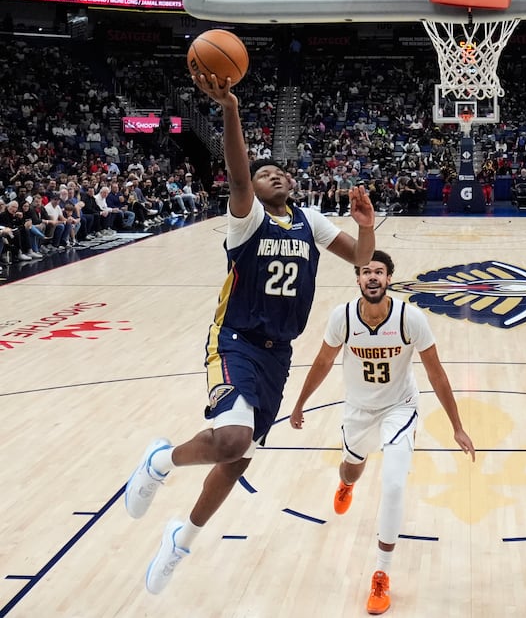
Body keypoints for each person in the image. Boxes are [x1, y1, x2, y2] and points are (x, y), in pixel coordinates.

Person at [123, 71, 376, 595]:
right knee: (233, 438)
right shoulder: (247, 219)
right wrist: (231, 108)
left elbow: (362, 259)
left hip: (277, 354)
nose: (274, 174)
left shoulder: (310, 222)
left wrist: (367, 224)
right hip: (233, 337)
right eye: (265, 172)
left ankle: (181, 542)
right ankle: (159, 462)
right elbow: (238, 177)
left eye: (281, 171)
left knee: (236, 459)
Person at [289, 250, 475, 615]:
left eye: (379, 272)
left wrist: (457, 425)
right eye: (365, 272)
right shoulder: (342, 317)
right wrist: (299, 403)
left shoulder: (411, 318)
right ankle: (346, 484)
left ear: (390, 279)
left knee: (393, 484)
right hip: (358, 410)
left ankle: (381, 574)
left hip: (400, 408)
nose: (372, 277)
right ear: (358, 279)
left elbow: (436, 373)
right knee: (350, 468)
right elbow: (324, 361)